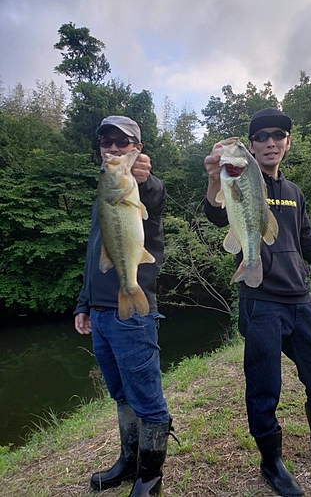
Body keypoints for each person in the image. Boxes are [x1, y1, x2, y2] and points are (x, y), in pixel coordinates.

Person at [203, 108, 311, 497]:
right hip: (260, 302)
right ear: (252, 146)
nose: (270, 142)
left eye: (278, 135)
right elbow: (214, 212)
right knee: (264, 386)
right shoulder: (238, 179)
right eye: (260, 137)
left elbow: (308, 242)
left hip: (300, 300)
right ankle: (271, 461)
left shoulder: (294, 193)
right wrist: (214, 179)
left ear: (288, 142)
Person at [74, 115, 172, 496]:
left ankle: (151, 476)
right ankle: (128, 461)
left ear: (137, 149)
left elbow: (154, 197)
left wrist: (145, 180)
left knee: (147, 398)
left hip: (132, 312)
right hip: (99, 312)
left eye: (123, 142)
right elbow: (94, 254)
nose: (113, 148)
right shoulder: (104, 193)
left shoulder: (137, 187)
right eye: (106, 142)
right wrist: (83, 303)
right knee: (121, 395)